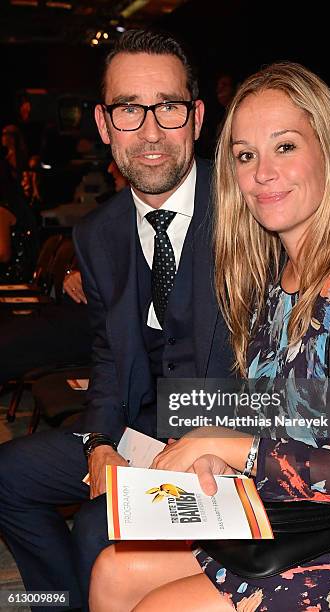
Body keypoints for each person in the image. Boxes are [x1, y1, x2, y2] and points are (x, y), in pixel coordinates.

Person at [89, 62, 330, 611]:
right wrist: (223, 457)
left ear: (329, 150)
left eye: (284, 147)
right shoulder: (272, 286)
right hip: (300, 515)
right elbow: (293, 417)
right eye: (244, 155)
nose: (262, 173)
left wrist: (224, 442)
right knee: (114, 570)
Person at [0, 28, 233, 611]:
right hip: (135, 426)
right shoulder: (97, 234)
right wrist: (101, 440)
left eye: (169, 108)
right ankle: (64, 603)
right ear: (104, 125)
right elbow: (110, 357)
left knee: (97, 528)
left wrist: (209, 438)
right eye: (130, 109)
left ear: (197, 117)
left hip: (222, 430)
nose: (151, 132)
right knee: (9, 476)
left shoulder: (245, 207)